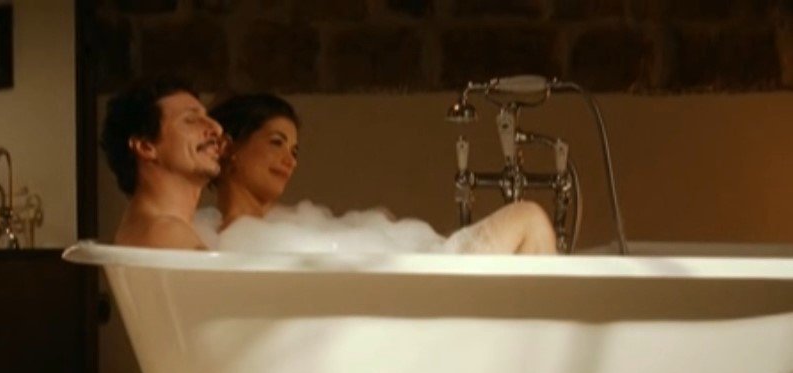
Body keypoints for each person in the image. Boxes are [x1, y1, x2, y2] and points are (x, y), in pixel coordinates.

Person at [207, 93, 558, 255]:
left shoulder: (281, 229)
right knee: (527, 217)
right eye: (276, 143)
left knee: (529, 220)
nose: (290, 161)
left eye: (295, 151)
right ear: (231, 147)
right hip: (416, 292)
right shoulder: (237, 240)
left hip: (415, 277)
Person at [100, 76, 225, 249]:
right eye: (191, 120)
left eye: (208, 117)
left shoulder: (164, 228)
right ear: (146, 147)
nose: (217, 128)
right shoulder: (164, 233)